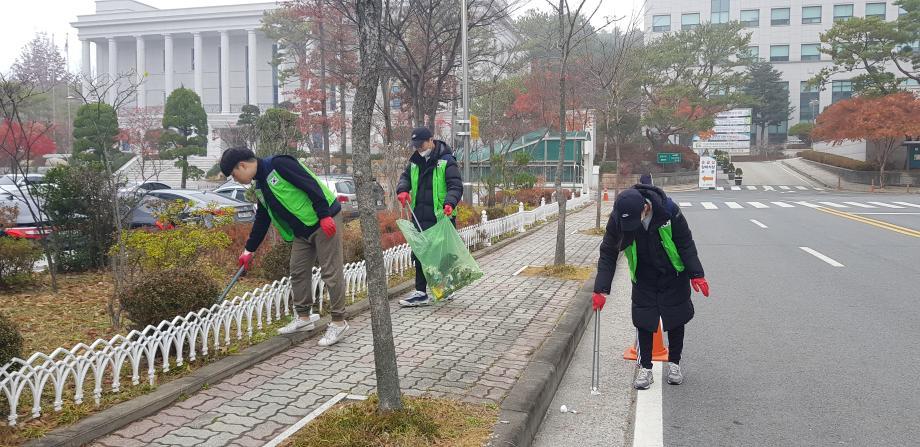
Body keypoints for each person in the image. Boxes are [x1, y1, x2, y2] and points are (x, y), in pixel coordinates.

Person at [220, 147, 349, 347]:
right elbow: (262, 219)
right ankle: (304, 318)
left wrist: (324, 215)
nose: (236, 181)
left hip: (324, 222)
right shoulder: (260, 186)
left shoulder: (279, 164)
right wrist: (249, 249)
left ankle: (339, 321)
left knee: (330, 272)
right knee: (297, 271)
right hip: (302, 231)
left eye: (235, 176)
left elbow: (310, 184)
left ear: (242, 166)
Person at [592, 184, 709, 389]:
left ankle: (674, 364)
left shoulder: (668, 211)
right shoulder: (618, 218)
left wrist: (696, 274)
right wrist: (601, 288)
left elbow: (685, 243)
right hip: (643, 274)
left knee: (675, 318)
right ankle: (645, 369)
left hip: (673, 272)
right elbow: (608, 253)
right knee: (644, 320)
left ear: (645, 209)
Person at [395, 127, 463, 307]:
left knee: (442, 254)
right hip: (419, 215)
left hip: (441, 216)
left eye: (422, 144)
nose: (419, 148)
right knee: (420, 253)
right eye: (416, 145)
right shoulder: (415, 162)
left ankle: (444, 287)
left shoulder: (447, 161)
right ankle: (420, 292)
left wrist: (450, 202)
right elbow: (405, 177)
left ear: (431, 140)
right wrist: (402, 189)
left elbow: (455, 186)